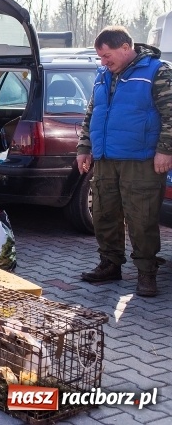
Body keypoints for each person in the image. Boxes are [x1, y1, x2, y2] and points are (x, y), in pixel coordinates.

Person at [77, 26, 172, 297]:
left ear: (125, 48)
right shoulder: (103, 75)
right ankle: (110, 264)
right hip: (106, 158)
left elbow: (171, 113)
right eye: (100, 58)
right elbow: (92, 113)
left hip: (140, 159)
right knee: (104, 213)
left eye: (107, 56)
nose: (103, 62)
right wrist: (84, 147)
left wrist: (166, 149)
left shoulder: (158, 71)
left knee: (141, 218)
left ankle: (146, 272)